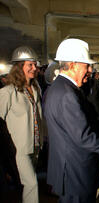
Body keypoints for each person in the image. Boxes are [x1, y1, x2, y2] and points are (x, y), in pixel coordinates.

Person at [44, 38, 99, 203]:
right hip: (75, 171)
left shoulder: (60, 88)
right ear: (73, 65)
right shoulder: (66, 94)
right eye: (86, 65)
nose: (90, 70)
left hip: (69, 167)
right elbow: (84, 138)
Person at [0, 46, 44, 203]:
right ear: (19, 67)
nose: (34, 68)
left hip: (35, 145)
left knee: (25, 185)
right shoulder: (8, 92)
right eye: (29, 65)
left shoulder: (35, 89)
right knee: (31, 184)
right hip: (19, 149)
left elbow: (39, 116)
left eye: (35, 65)